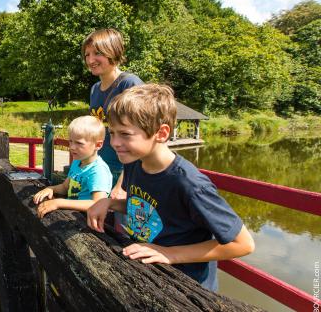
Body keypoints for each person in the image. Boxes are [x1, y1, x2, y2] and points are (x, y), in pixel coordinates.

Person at [86, 84, 254, 291]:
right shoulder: (133, 163)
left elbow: (243, 244)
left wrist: (172, 254)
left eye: (125, 134)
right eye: (112, 133)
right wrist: (110, 203)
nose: (115, 142)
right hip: (149, 273)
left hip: (187, 287)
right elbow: (145, 206)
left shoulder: (190, 184)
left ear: (161, 133)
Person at [84, 28, 143, 193]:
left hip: (125, 175)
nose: (90, 60)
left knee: (120, 220)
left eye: (97, 53)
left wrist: (121, 185)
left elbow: (142, 137)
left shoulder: (130, 84)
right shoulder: (95, 89)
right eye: (87, 54)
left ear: (113, 52)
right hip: (100, 172)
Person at [32, 115, 112, 218]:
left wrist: (58, 203)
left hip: (87, 223)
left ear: (98, 145)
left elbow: (98, 203)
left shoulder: (98, 171)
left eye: (79, 143)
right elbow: (65, 187)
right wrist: (51, 189)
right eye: (70, 141)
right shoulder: (77, 162)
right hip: (72, 217)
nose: (72, 147)